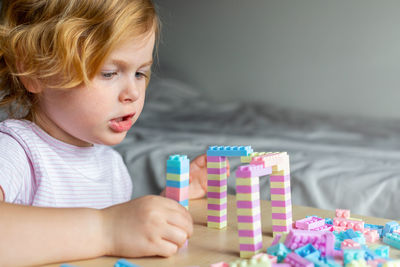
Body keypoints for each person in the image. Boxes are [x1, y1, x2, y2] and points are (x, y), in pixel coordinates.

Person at [0, 1, 218, 266]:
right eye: (109, 73)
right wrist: (106, 230)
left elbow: (115, 246)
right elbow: (110, 232)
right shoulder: (16, 152)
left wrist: (166, 205)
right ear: (36, 72)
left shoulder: (111, 164)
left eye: (140, 73)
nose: (133, 93)